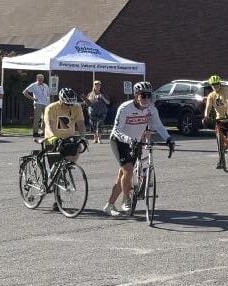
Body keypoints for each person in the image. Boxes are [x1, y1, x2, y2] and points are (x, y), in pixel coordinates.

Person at [103, 81, 174, 216]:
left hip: (136, 142)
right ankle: (126, 200)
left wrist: (168, 139)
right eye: (143, 96)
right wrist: (129, 140)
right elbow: (117, 130)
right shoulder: (125, 108)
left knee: (123, 176)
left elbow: (158, 126)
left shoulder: (151, 109)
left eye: (149, 96)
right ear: (136, 96)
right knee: (128, 170)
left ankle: (109, 205)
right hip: (119, 141)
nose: (146, 99)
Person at [43, 87, 87, 211]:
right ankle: (57, 201)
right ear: (60, 100)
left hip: (68, 139)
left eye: (71, 104)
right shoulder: (51, 108)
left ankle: (63, 171)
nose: (69, 106)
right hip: (53, 139)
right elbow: (48, 125)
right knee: (56, 170)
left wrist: (83, 137)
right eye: (67, 104)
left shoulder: (76, 107)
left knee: (67, 164)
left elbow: (81, 124)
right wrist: (53, 138)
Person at [203, 74, 228, 170]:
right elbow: (208, 107)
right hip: (220, 118)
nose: (215, 86)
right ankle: (221, 160)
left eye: (217, 84)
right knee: (220, 140)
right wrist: (206, 116)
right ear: (211, 85)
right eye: (213, 85)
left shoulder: (225, 90)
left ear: (220, 84)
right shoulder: (211, 95)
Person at [23, 74, 51, 142]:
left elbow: (48, 94)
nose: (41, 80)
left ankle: (43, 132)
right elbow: (24, 92)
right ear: (37, 79)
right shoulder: (33, 85)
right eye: (39, 78)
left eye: (42, 78)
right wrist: (33, 98)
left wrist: (48, 102)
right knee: (37, 119)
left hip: (46, 104)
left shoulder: (46, 85)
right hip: (38, 104)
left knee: (45, 119)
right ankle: (35, 132)